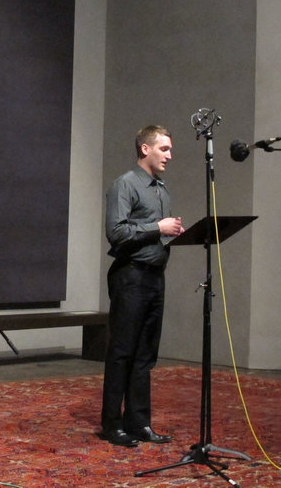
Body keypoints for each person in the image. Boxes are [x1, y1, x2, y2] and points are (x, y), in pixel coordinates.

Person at [100, 125, 184, 447]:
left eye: (170, 149)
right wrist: (157, 227)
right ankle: (112, 424)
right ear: (145, 149)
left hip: (154, 277)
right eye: (164, 149)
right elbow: (116, 232)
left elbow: (152, 232)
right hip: (131, 277)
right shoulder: (125, 184)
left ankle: (140, 422)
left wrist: (171, 231)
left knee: (145, 355)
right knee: (122, 352)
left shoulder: (160, 187)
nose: (170, 156)